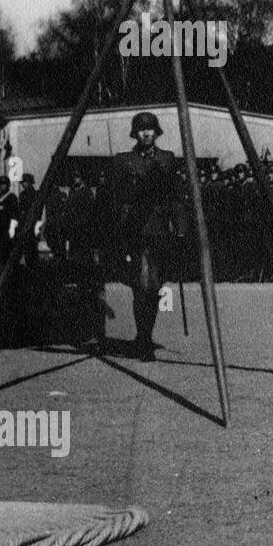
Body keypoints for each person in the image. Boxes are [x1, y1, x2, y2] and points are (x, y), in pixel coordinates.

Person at [110, 112, 182, 360]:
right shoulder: (123, 161)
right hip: (135, 230)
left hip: (160, 231)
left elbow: (175, 197)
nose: (146, 133)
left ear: (157, 131)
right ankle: (142, 338)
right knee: (143, 285)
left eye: (150, 128)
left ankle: (145, 334)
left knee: (154, 288)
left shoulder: (167, 159)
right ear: (135, 133)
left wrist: (180, 227)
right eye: (141, 129)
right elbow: (115, 197)